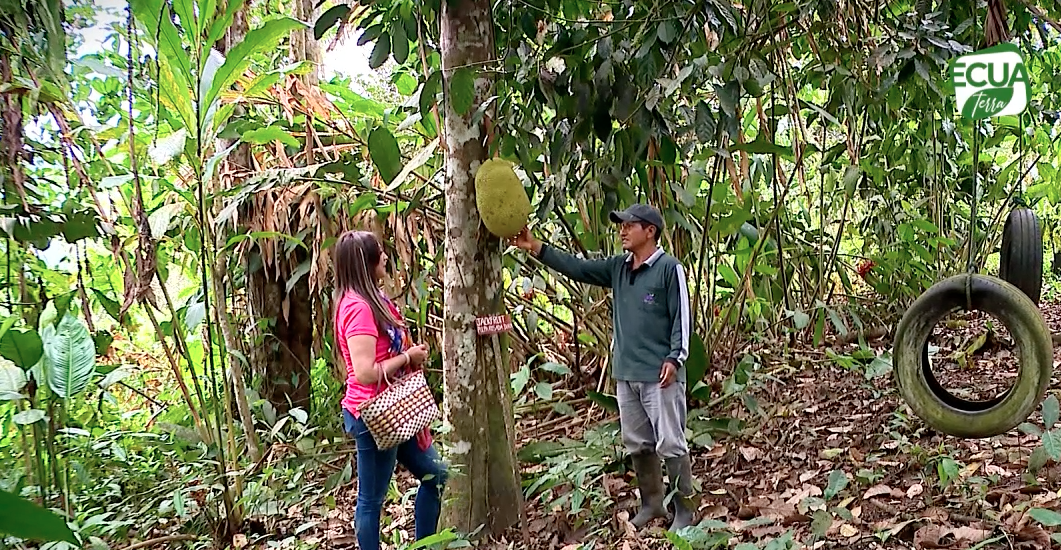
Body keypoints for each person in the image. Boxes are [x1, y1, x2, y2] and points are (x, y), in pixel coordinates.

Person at [509, 203, 696, 532]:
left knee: (671, 442)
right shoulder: (619, 268)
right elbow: (579, 269)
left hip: (660, 375)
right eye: (621, 225)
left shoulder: (669, 268)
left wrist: (675, 358)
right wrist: (537, 247)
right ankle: (652, 504)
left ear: (650, 231)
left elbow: (682, 317)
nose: (622, 231)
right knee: (638, 442)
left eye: (629, 225)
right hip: (627, 375)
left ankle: (684, 511)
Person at [331, 229, 448, 549]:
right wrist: (406, 357)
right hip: (374, 413)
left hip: (396, 407)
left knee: (435, 475)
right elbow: (366, 372)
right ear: (366, 263)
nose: (385, 256)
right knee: (371, 500)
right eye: (379, 252)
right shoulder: (358, 308)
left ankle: (426, 543)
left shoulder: (369, 300)